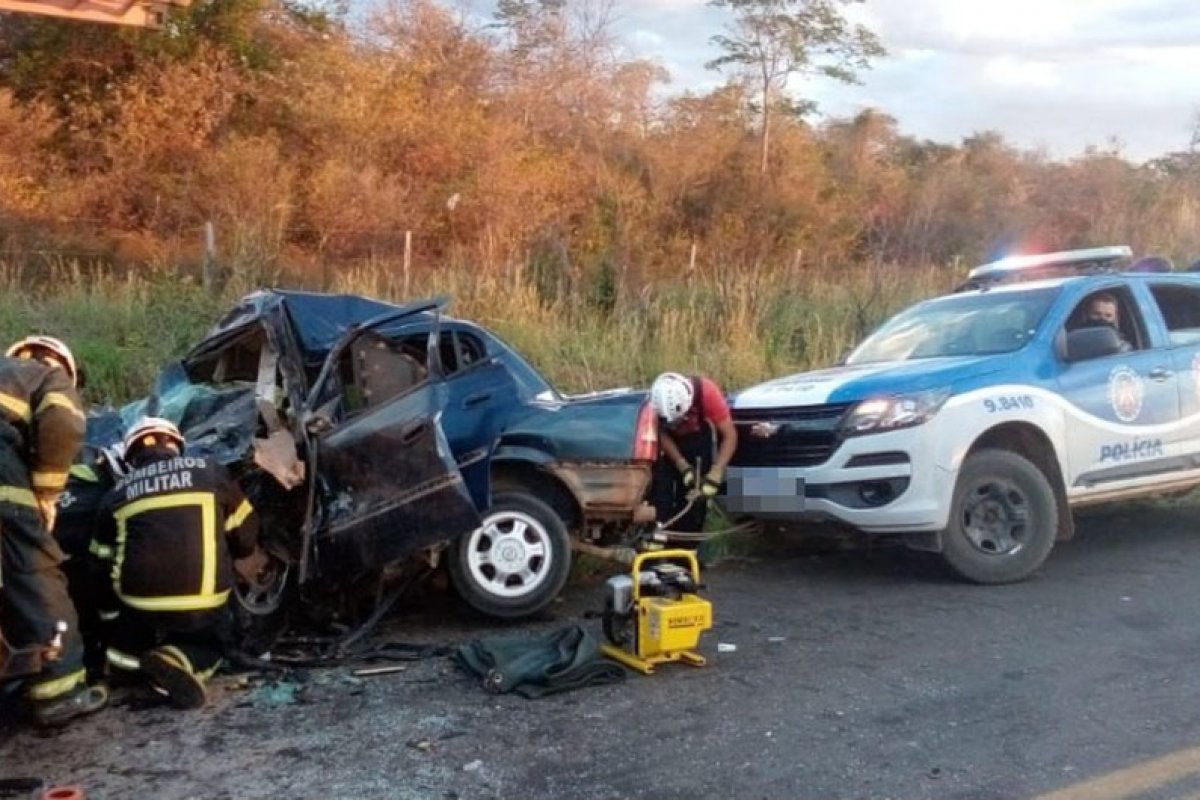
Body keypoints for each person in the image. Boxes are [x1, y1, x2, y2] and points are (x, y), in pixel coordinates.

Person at [90, 417, 258, 709]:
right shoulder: (211, 472)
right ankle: (178, 658)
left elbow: (99, 565)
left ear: (130, 457)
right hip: (201, 599)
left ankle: (121, 667)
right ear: (176, 445)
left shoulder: (114, 495)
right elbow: (246, 538)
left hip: (139, 604)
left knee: (130, 634)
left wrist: (108, 619)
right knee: (217, 642)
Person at [0, 334, 108, 726]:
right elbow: (62, 422)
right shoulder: (45, 375)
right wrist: (46, 493)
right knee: (36, 577)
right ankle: (60, 692)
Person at [648, 372, 738, 532]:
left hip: (699, 445)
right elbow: (661, 433)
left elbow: (730, 436)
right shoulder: (656, 403)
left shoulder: (708, 394)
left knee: (695, 504)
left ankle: (689, 547)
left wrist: (716, 472)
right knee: (661, 491)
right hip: (671, 449)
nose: (676, 425)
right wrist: (682, 466)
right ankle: (658, 538)